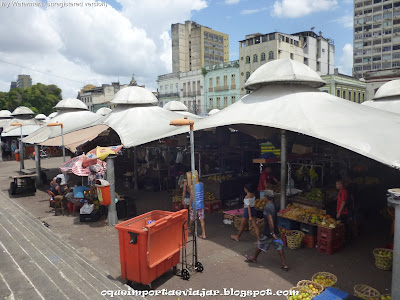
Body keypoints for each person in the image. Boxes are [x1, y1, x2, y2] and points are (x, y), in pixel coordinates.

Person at [245, 193, 288, 271]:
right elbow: (272, 217)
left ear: (266, 197)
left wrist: (272, 233)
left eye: (264, 196)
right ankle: (284, 264)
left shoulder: (267, 207)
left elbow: (270, 220)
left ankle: (254, 258)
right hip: (275, 229)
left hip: (269, 231)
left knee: (261, 243)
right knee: (279, 246)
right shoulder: (274, 205)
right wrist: (262, 220)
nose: (263, 198)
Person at [188, 170, 206, 239]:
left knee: (191, 219)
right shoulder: (201, 184)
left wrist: (190, 205)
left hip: (194, 205)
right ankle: (204, 234)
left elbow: (192, 197)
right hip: (201, 205)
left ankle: (189, 229)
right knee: (202, 220)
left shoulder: (191, 187)